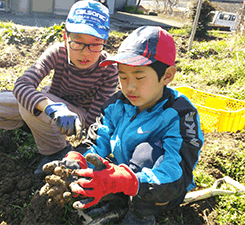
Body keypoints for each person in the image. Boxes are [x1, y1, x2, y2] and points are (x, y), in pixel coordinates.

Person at [52, 26, 204, 224]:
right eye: (123, 77)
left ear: (167, 76)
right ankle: (119, 199)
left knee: (146, 152)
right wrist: (78, 159)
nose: (129, 86)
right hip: (125, 174)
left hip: (164, 188)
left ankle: (140, 215)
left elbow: (176, 175)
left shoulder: (180, 114)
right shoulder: (118, 103)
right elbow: (97, 141)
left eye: (139, 77)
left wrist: (129, 180)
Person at [0, 0, 118, 174]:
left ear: (105, 41)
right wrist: (51, 108)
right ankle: (35, 125)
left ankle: (56, 151)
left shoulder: (109, 68)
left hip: (75, 118)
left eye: (95, 44)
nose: (85, 52)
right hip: (50, 106)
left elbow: (94, 118)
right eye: (77, 42)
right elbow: (22, 84)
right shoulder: (58, 52)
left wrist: (76, 133)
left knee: (32, 106)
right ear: (65, 37)